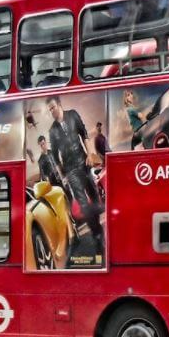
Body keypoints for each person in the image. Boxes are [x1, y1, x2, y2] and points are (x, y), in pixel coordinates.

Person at [45, 95, 103, 254]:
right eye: (49, 110)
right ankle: (97, 235)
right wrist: (62, 176)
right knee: (83, 204)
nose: (51, 111)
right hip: (70, 170)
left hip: (84, 162)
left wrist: (90, 154)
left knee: (94, 195)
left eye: (53, 107)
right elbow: (55, 157)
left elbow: (84, 134)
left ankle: (97, 227)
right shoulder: (52, 131)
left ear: (59, 104)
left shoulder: (73, 115)